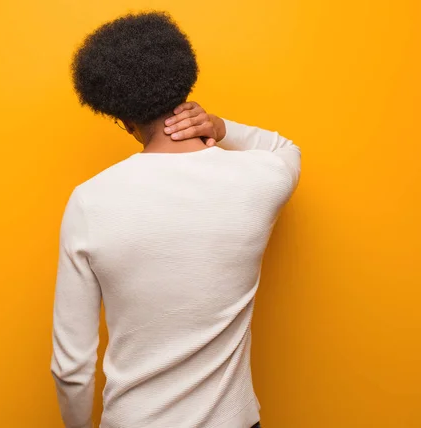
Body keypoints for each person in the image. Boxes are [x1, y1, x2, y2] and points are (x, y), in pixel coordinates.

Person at [50, 10, 300, 428]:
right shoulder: (261, 177)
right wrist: (219, 127)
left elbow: (71, 366)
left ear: (124, 119)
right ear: (183, 85)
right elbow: (285, 149)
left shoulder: (89, 202)